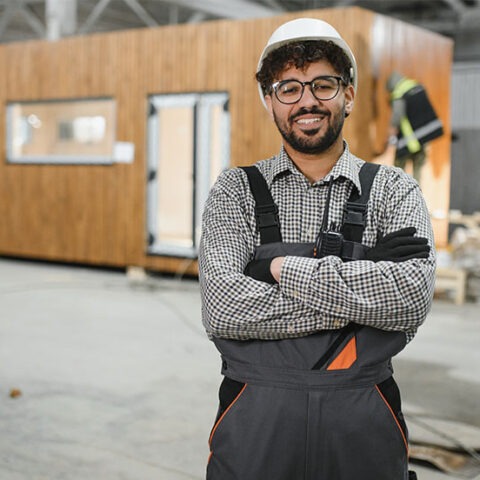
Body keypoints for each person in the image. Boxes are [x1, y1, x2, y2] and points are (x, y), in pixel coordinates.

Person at [199, 17, 436, 480]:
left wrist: (282, 268)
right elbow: (224, 308)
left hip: (363, 422)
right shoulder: (235, 191)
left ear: (348, 94)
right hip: (254, 425)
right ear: (269, 102)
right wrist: (364, 285)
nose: (307, 100)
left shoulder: (393, 189)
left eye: (322, 84)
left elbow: (409, 300)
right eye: (288, 88)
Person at [386, 71, 443, 183]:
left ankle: (399, 195)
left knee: (398, 171)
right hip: (423, 137)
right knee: (418, 171)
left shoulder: (399, 92)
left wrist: (391, 131)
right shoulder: (416, 86)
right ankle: (416, 196)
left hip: (409, 140)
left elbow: (397, 115)